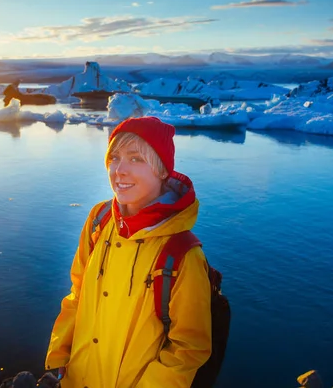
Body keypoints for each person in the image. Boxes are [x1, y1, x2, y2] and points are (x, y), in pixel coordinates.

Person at [45, 116, 212, 388]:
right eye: (114, 157)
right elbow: (78, 293)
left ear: (161, 170)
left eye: (136, 158)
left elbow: (188, 349)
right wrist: (60, 355)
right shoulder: (99, 220)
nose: (119, 170)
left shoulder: (181, 255)